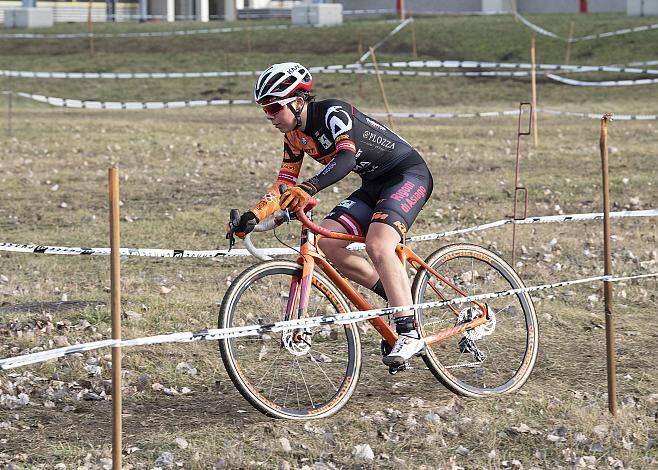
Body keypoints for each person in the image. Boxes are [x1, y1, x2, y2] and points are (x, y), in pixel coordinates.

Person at [233, 62, 434, 367]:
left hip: (407, 174)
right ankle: (399, 300)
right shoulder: (294, 137)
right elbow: (284, 182)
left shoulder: (333, 113)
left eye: (274, 108)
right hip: (374, 184)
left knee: (378, 244)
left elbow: (346, 157)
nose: (270, 117)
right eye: (265, 111)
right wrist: (254, 214)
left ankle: (409, 329)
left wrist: (310, 188)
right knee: (326, 242)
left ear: (298, 101)